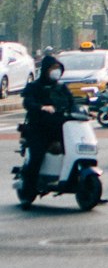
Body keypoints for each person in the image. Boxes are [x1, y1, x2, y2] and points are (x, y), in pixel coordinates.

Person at [20, 53, 75, 203]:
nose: (55, 71)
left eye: (58, 68)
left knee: (76, 149)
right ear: (45, 69)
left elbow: (72, 103)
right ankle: (28, 191)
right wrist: (41, 107)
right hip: (39, 129)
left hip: (60, 128)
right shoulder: (34, 87)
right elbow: (27, 103)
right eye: (53, 68)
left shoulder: (62, 87)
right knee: (37, 156)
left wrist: (82, 110)